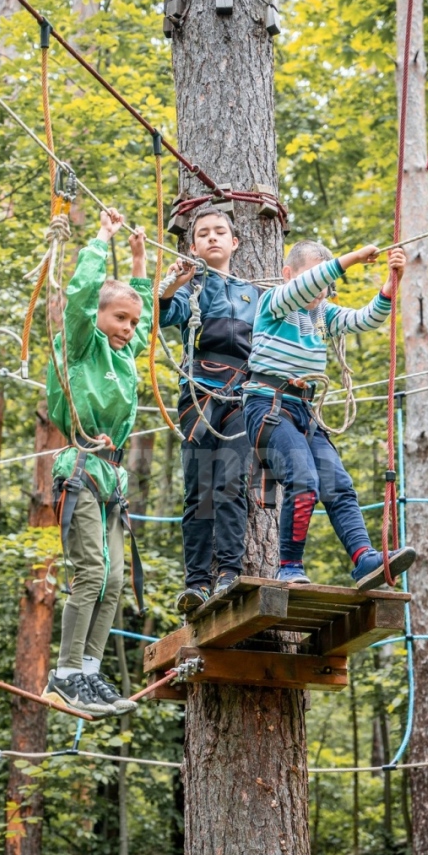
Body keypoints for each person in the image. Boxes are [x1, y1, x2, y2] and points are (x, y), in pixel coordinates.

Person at [242, 238, 416, 590]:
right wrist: (350, 258)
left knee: (339, 484)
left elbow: (365, 319)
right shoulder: (274, 304)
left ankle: (364, 558)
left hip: (303, 411)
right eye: (314, 277)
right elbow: (307, 285)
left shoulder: (322, 318)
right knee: (303, 481)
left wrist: (389, 284)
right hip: (268, 406)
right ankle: (289, 565)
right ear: (288, 274)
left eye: (326, 283)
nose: (321, 288)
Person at [42, 208, 153, 716]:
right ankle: (64, 673)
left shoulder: (125, 354)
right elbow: (82, 298)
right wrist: (100, 240)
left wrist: (138, 260)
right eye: (119, 318)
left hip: (109, 475)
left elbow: (145, 314)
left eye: (130, 322)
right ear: (97, 320)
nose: (128, 328)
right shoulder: (83, 344)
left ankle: (88, 671)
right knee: (90, 572)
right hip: (81, 466)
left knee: (111, 580)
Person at [158, 205, 261, 613]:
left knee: (231, 484)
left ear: (234, 242)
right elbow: (166, 310)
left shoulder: (257, 294)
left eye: (220, 232)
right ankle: (197, 581)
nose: (213, 238)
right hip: (199, 395)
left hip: (242, 397)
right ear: (194, 245)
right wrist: (171, 282)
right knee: (199, 489)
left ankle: (228, 572)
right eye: (203, 234)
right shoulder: (190, 288)